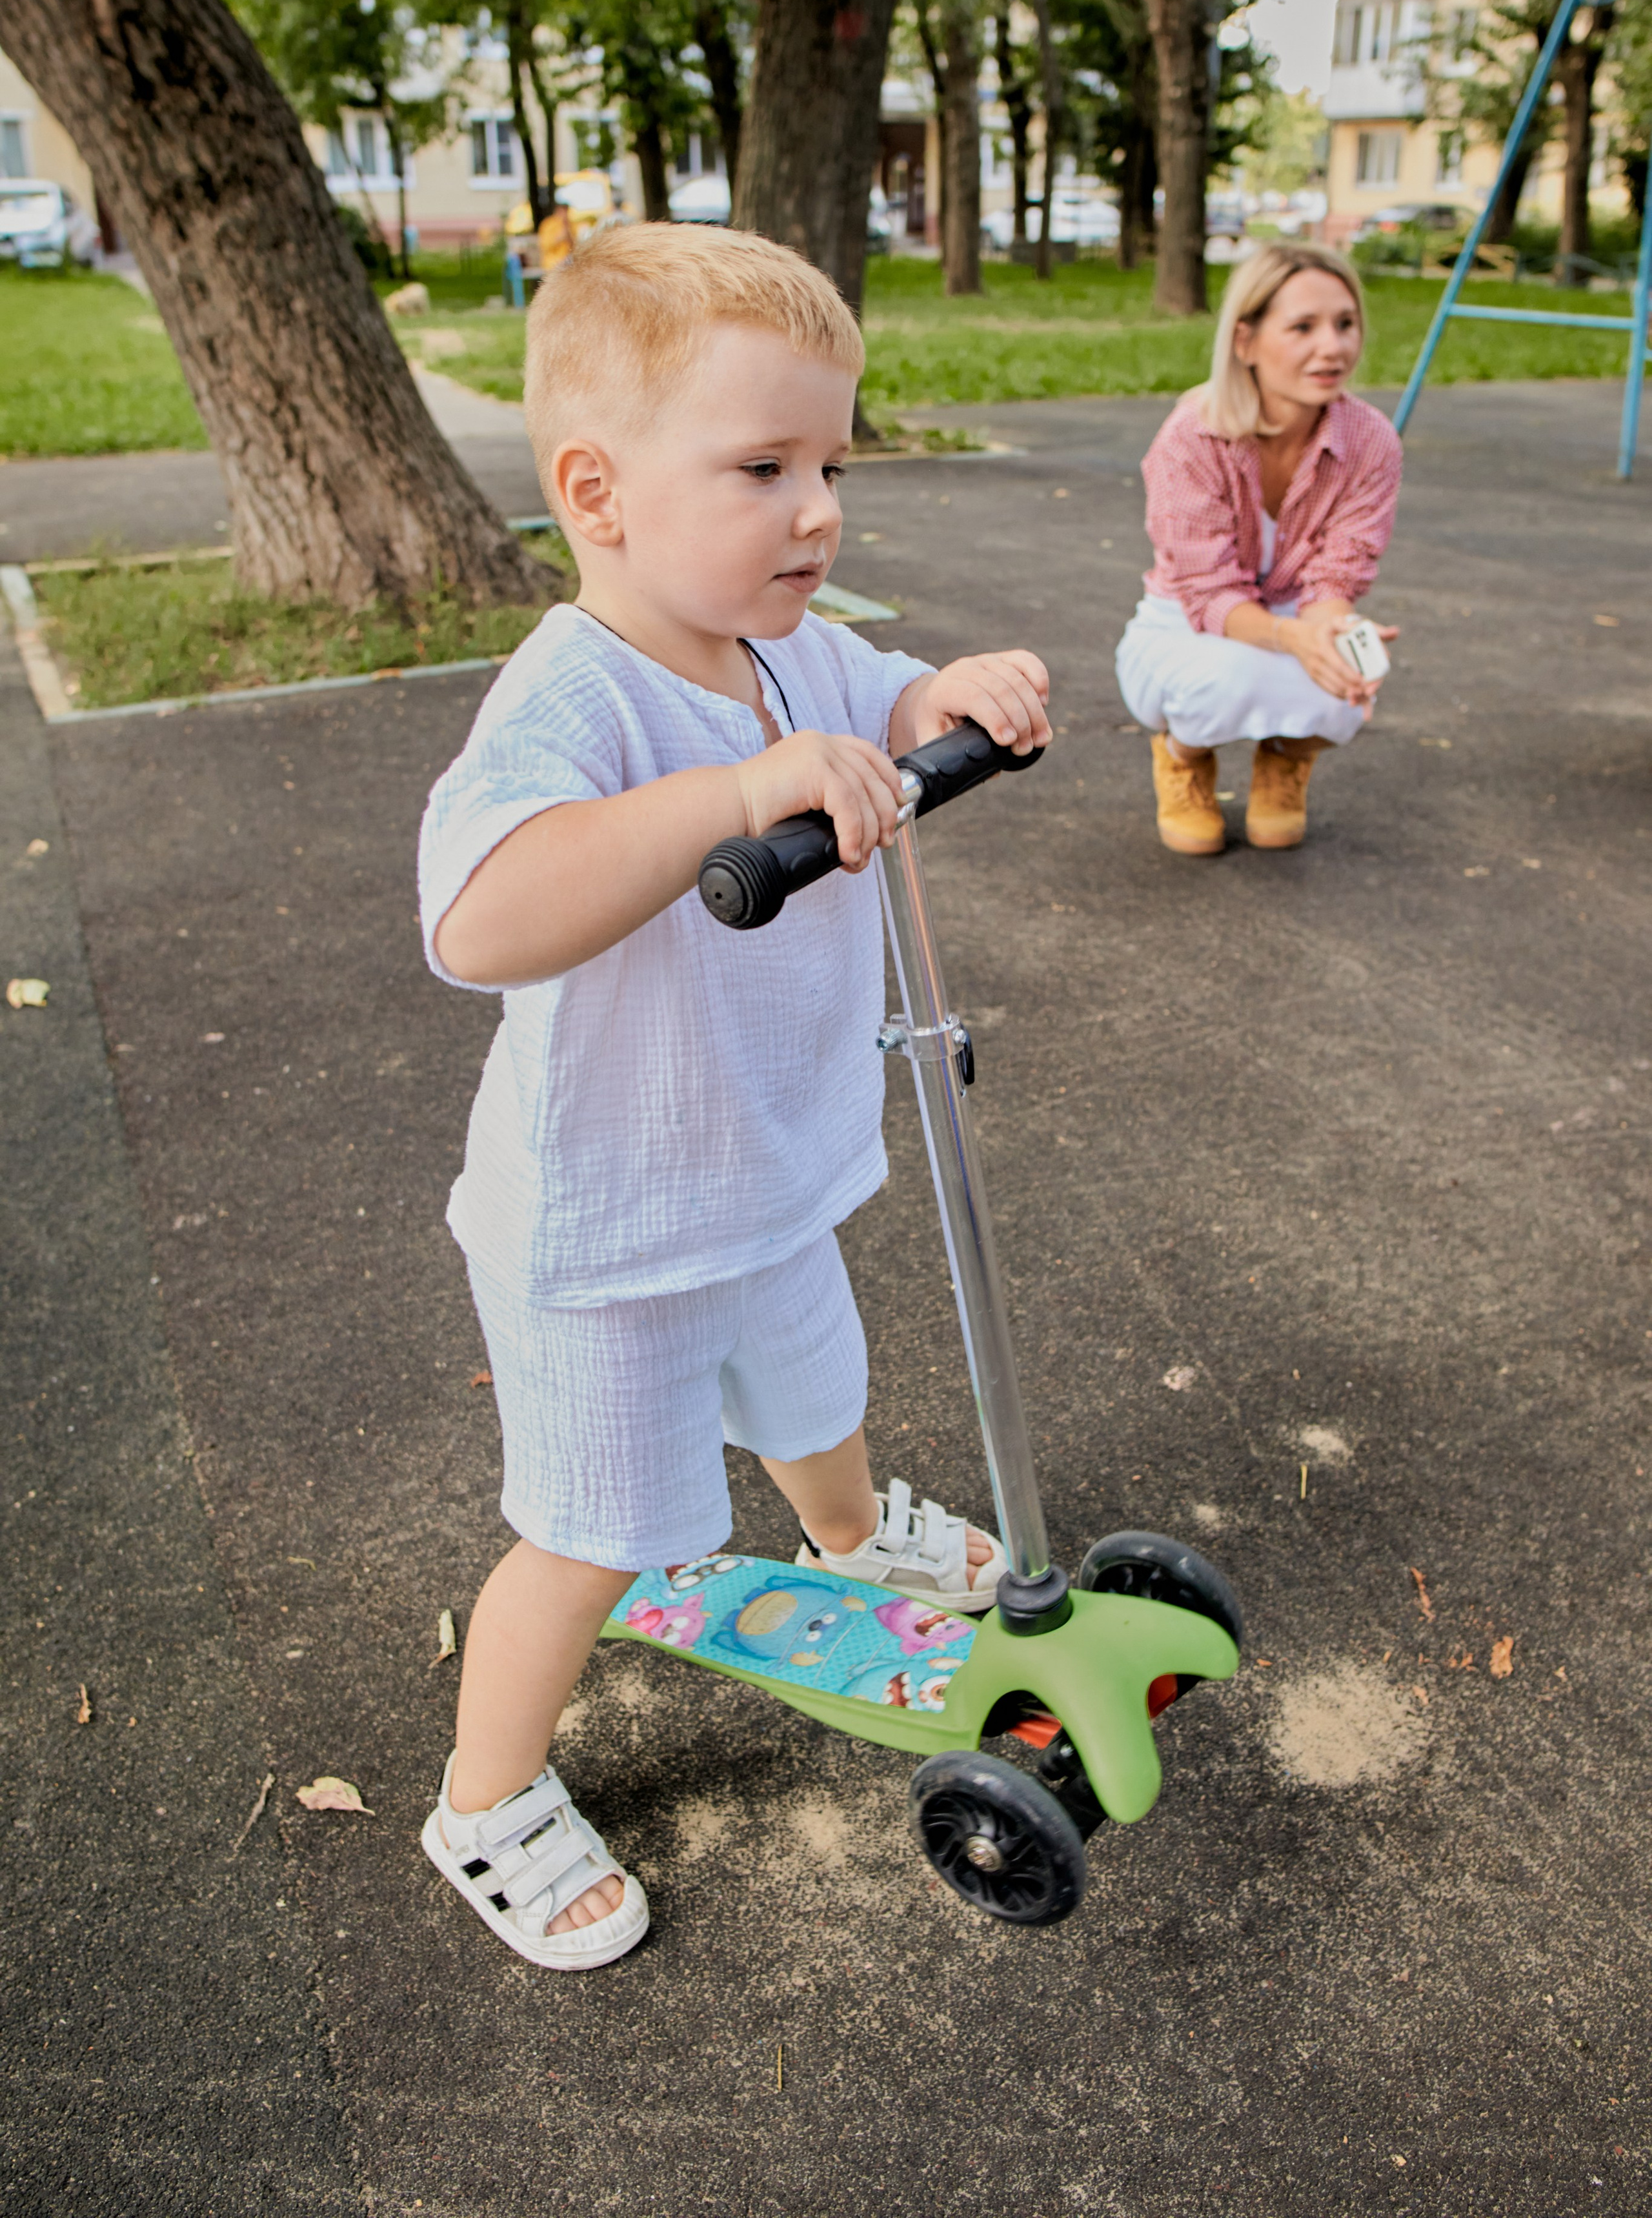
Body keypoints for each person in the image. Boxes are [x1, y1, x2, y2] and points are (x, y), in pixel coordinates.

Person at [416, 224, 1051, 1970]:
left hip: (766, 1168)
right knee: (594, 1532)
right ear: (599, 492)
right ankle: (485, 1799)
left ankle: (851, 1536)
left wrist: (954, 695)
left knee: (815, 1386)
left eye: (831, 463)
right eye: (765, 467)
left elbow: (889, 705)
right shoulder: (577, 695)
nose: (819, 509)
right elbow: (482, 917)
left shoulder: (790, 650)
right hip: (606, 1230)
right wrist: (728, 799)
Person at [1116, 243, 1402, 855]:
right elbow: (1209, 593)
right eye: (1303, 327)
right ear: (1245, 341)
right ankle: (1183, 756)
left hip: (1293, 615)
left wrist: (1329, 635)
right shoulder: (1194, 434)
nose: (1333, 347)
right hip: (1186, 624)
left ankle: (1286, 754)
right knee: (1223, 680)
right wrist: (1297, 640)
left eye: (1345, 324)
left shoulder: (1372, 438)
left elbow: (1337, 576)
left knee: (1354, 670)